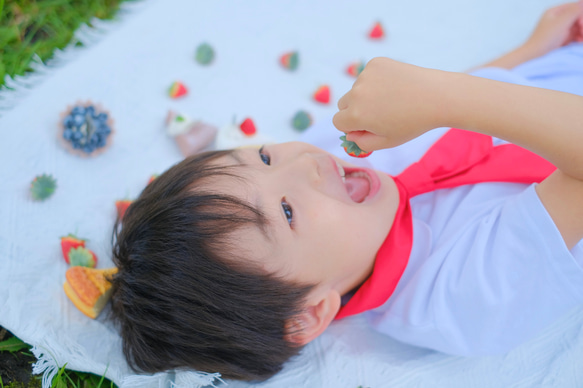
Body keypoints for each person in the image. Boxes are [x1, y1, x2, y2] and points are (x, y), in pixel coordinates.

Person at [109, 2, 583, 382]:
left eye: (264, 157)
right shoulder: (462, 296)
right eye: (288, 212)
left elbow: (453, 113)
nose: (307, 163)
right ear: (311, 311)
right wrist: (444, 97)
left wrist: (532, 52)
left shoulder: (338, 167)